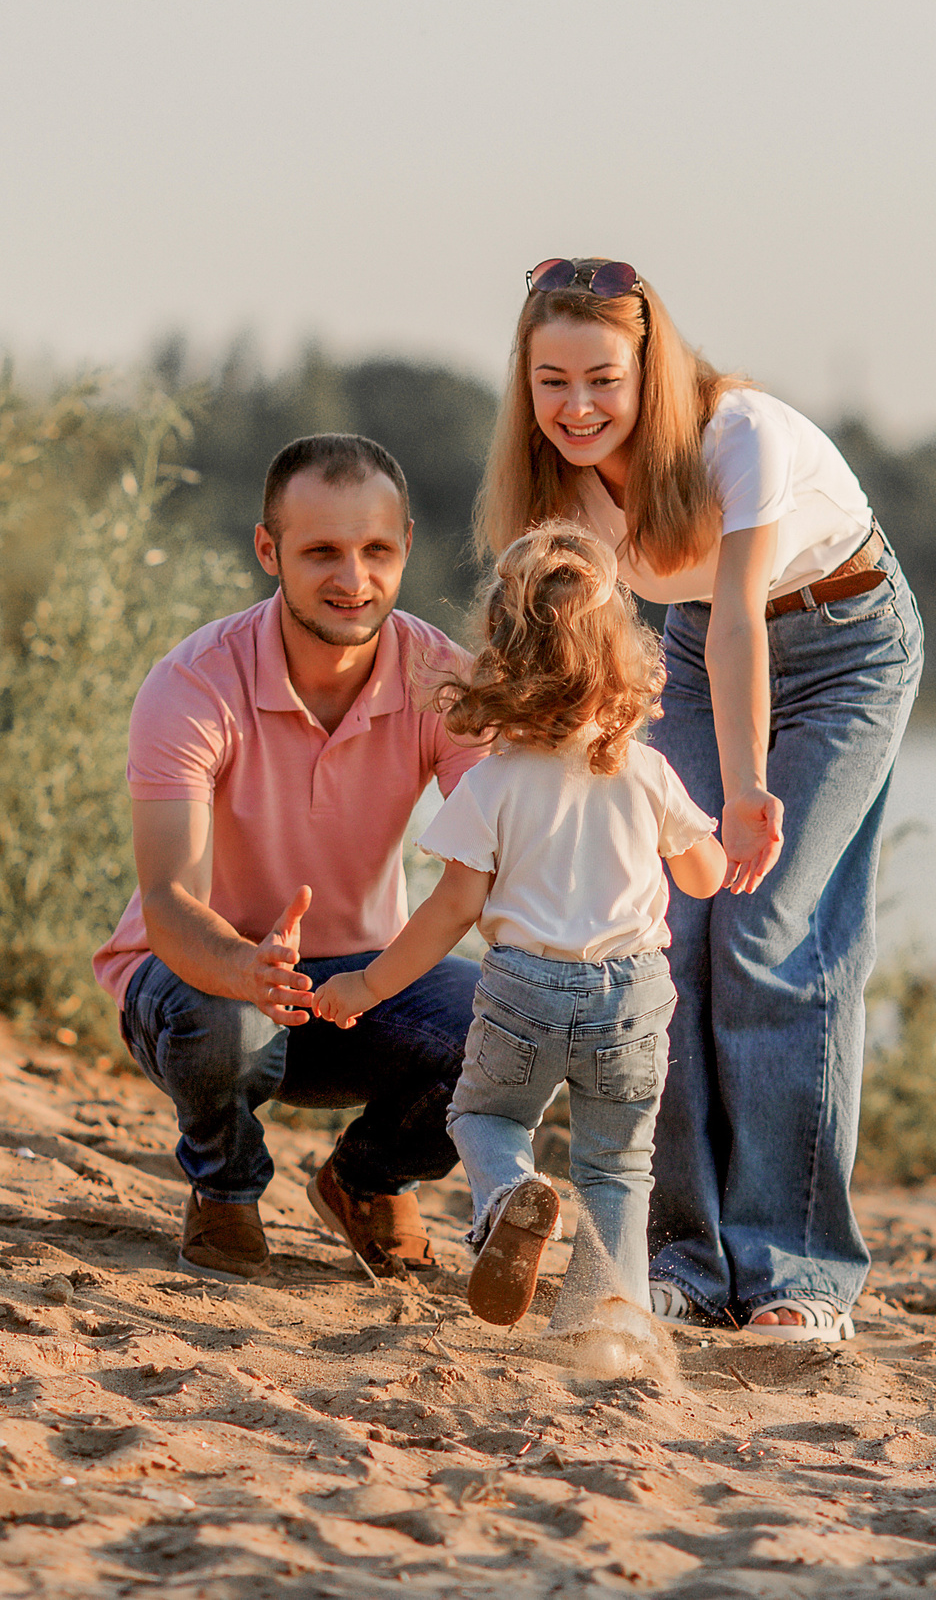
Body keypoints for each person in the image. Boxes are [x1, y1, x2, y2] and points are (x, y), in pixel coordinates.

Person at [476, 259, 924, 1341]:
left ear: (650, 371)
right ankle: (683, 1255)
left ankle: (800, 1274)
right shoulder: (547, 484)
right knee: (657, 930)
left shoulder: (739, 437)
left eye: (601, 379)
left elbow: (739, 627)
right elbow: (561, 642)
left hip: (843, 647)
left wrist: (750, 794)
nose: (576, 406)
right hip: (697, 650)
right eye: (551, 381)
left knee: (768, 933)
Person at [313, 522, 725, 1327]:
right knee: (617, 1167)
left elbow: (451, 909)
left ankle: (507, 1195)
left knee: (487, 1115)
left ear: (500, 660)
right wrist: (717, 840)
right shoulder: (647, 771)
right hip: (634, 992)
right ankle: (606, 1320)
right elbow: (704, 875)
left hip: (525, 989)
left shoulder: (494, 785)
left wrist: (366, 983)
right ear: (622, 662)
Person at [94, 434, 485, 1283]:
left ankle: (366, 1180)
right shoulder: (193, 684)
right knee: (228, 1021)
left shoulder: (439, 678)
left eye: (377, 550)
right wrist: (247, 966)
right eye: (322, 552)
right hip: (196, 979)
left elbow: (507, 852)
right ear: (268, 549)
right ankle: (224, 1187)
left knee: (508, 1019)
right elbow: (166, 902)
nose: (354, 578)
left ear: (407, 544)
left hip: (359, 987)